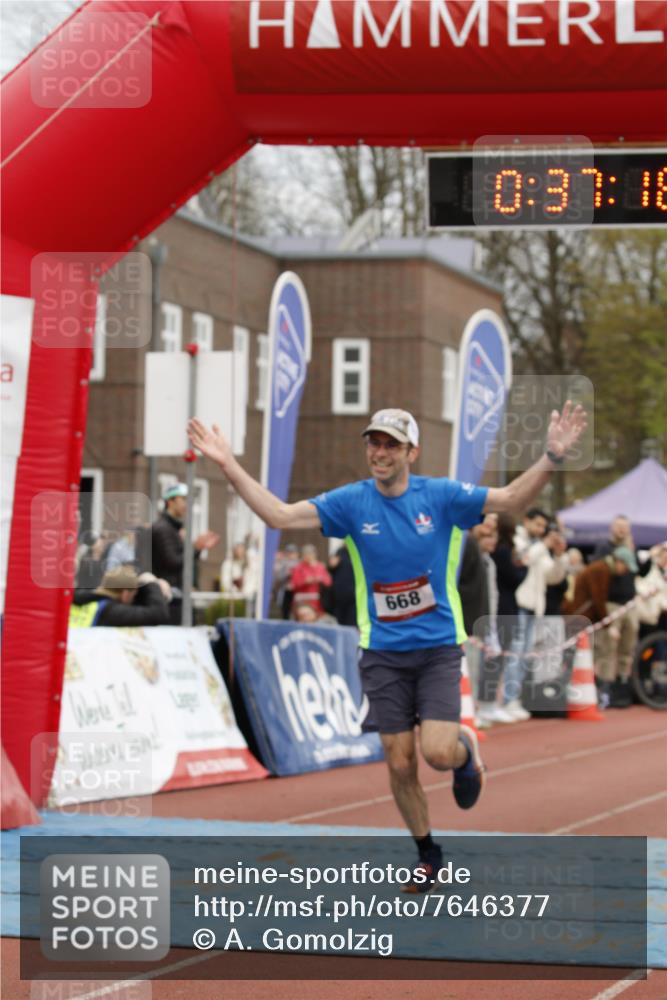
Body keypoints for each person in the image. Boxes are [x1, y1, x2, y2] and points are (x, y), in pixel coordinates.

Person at [187, 401, 586, 891]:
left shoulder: (439, 496)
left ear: (411, 452)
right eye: (373, 442)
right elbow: (279, 515)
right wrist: (228, 463)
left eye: (390, 444)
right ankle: (428, 853)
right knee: (399, 762)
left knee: (437, 754)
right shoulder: (351, 503)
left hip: (438, 646)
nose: (379, 452)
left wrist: (550, 457)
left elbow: (508, 500)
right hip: (383, 653)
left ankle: (464, 751)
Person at [567, 546, 639, 708]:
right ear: (618, 561)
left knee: (593, 653)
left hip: (587, 616)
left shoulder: (604, 569)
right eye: (625, 566)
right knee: (589, 653)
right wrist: (608, 624)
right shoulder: (601, 570)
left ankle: (595, 689)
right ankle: (587, 690)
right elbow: (598, 598)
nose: (625, 571)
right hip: (581, 615)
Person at [150, 483, 219, 624]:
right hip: (169, 598)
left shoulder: (174, 528)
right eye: (183, 499)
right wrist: (196, 548)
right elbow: (173, 562)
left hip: (178, 595)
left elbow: (183, 560)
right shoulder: (163, 529)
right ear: (170, 502)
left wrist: (197, 549)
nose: (186, 504)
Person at [69, 565, 171, 627]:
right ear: (126, 594)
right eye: (133, 595)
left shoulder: (79, 598)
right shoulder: (111, 611)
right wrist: (152, 583)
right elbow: (158, 614)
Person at [288, 544, 332, 619]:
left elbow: (328, 582)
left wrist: (320, 579)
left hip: (315, 601)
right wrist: (304, 581)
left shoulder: (320, 566)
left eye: (310, 554)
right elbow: (293, 584)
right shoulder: (298, 567)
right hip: (301, 601)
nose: (308, 556)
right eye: (306, 554)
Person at [221, 541, 258, 615]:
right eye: (238, 549)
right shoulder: (228, 564)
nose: (240, 552)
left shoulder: (250, 564)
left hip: (247, 599)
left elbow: (253, 580)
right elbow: (225, 581)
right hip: (232, 600)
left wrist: (246, 591)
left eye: (242, 549)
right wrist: (235, 589)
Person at [328, 543, 357, 626]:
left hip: (354, 593)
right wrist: (331, 566)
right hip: (339, 594)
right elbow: (331, 570)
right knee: (339, 620)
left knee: (352, 620)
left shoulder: (358, 552)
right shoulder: (340, 552)